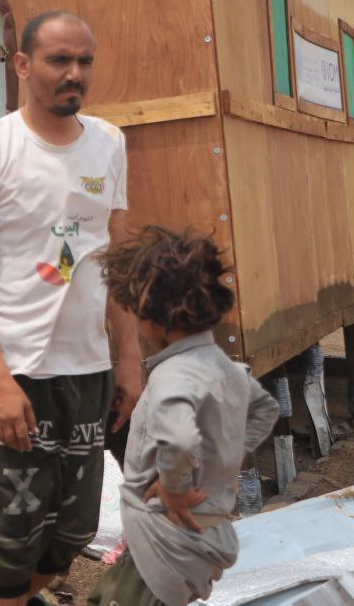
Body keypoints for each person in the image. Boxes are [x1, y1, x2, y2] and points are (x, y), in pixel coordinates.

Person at [0, 11, 143, 606]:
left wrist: (128, 357)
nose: (74, 74)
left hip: (86, 369)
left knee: (72, 532)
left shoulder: (109, 143)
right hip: (13, 372)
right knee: (6, 543)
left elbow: (115, 258)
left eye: (84, 62)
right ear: (24, 65)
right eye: (59, 60)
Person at [89, 227, 279, 605]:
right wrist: (223, 462)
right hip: (201, 535)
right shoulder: (222, 366)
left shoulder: (172, 377)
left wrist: (175, 488)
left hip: (165, 538)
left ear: (157, 321)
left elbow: (176, 438)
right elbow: (264, 409)